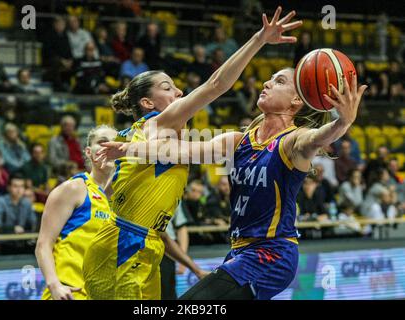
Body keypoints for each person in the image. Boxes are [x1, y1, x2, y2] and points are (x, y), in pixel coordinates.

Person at [98, 7, 367, 300]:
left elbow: (317, 138)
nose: (266, 83)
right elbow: (177, 152)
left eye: (279, 81)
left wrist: (343, 122)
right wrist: (128, 149)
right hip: (239, 251)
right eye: (270, 79)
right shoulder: (238, 140)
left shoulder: (293, 141)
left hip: (272, 253)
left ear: (296, 101)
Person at [35, 125, 117, 300]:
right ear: (88, 151)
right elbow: (43, 245)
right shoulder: (74, 188)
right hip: (69, 293)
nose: (109, 147)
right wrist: (54, 285)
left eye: (114, 143)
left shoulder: (122, 200)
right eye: (102, 142)